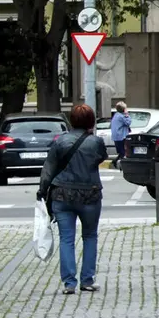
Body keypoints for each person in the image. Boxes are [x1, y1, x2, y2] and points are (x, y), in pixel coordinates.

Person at [37, 104, 108, 295]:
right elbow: (101, 158)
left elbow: (48, 169)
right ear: (91, 121)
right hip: (90, 194)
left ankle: (69, 282)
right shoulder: (96, 142)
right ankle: (87, 280)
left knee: (66, 239)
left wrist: (42, 191)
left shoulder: (60, 142)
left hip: (62, 194)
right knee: (90, 236)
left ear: (71, 120)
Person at [110, 101, 131, 169]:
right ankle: (123, 166)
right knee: (123, 151)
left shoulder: (116, 115)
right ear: (123, 109)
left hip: (117, 136)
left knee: (122, 151)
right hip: (121, 136)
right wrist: (127, 114)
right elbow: (128, 122)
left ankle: (115, 162)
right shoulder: (121, 116)